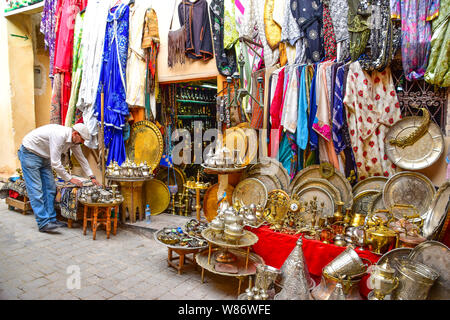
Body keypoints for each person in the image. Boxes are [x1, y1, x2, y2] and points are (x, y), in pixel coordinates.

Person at [18, 123, 101, 233]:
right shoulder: (60, 135)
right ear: (75, 134)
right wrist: (70, 179)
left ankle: (51, 220)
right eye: (82, 140)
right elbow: (56, 163)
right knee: (36, 189)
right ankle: (43, 223)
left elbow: (82, 159)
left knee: (50, 187)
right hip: (30, 153)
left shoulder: (73, 141)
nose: (82, 143)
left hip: (44, 157)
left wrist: (92, 177)